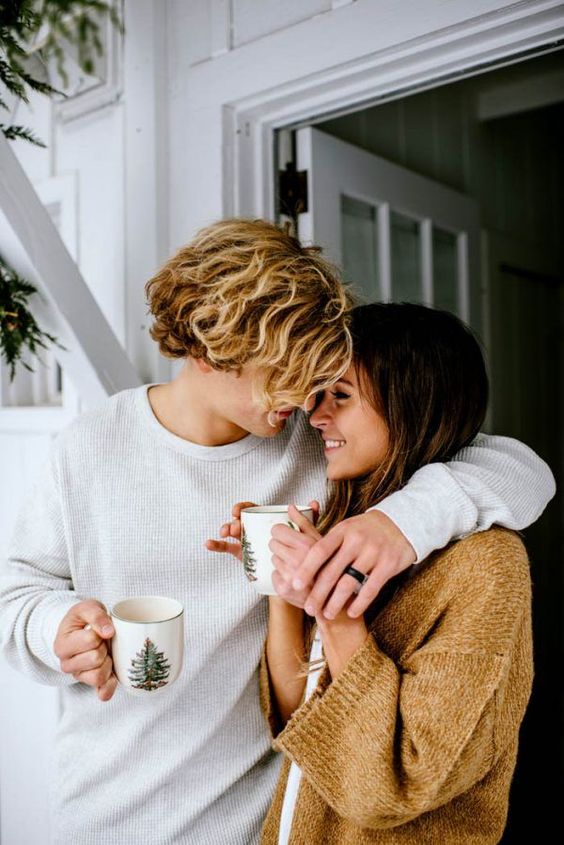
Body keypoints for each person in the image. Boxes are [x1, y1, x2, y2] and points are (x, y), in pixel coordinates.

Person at [0, 219, 554, 845]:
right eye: (283, 370)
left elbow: (521, 469)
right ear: (211, 350)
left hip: (268, 822)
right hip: (107, 815)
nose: (304, 393)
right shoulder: (87, 448)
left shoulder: (321, 442)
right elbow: (14, 595)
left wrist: (396, 521)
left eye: (317, 372)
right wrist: (54, 630)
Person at [256, 302, 538, 844]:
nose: (314, 414)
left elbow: (390, 787)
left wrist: (337, 618)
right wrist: (285, 587)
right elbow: (300, 721)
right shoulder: (349, 529)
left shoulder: (486, 567)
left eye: (341, 395)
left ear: (414, 405)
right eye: (317, 393)